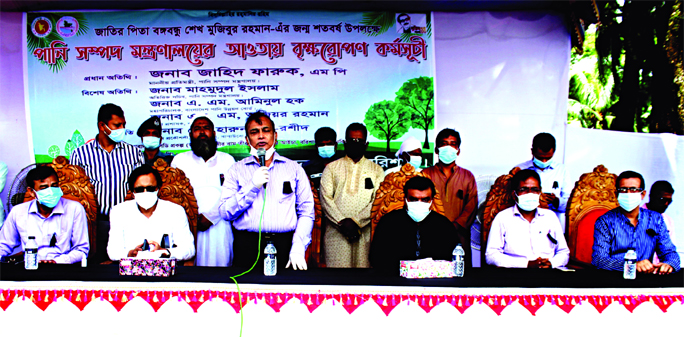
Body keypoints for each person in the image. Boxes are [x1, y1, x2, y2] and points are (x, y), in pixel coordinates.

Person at [220, 111, 313, 271]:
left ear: (275, 136)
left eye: (266, 130)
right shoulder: (236, 170)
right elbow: (225, 212)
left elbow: (307, 212)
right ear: (247, 140)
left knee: (285, 295)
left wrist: (298, 246)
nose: (261, 136)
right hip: (248, 246)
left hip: (285, 246)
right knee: (246, 295)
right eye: (254, 132)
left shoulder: (294, 169)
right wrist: (251, 186)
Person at [70, 103, 144, 262]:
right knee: (97, 268)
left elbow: (141, 186)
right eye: (117, 125)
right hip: (96, 223)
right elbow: (75, 191)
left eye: (124, 125)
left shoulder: (134, 153)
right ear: (102, 126)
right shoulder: (80, 154)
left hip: (128, 222)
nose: (122, 129)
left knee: (127, 268)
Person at [171, 116, 235, 266]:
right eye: (197, 129)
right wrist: (192, 218)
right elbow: (174, 196)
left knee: (221, 271)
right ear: (190, 134)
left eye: (205, 128)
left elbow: (231, 195)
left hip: (220, 226)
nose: (202, 132)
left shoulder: (228, 160)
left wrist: (211, 217)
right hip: (189, 226)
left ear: (213, 133)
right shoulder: (179, 161)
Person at [320, 123, 385, 268]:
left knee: (363, 279)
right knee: (337, 280)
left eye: (359, 141)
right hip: (336, 233)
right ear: (344, 143)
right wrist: (342, 222)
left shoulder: (377, 170)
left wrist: (356, 222)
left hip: (364, 233)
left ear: (366, 144)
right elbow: (325, 199)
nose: (355, 144)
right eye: (351, 141)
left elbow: (377, 201)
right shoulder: (331, 168)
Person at [592, 171, 680, 274]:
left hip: (647, 279)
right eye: (623, 190)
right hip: (615, 280)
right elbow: (599, 260)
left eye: (633, 190)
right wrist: (631, 265)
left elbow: (670, 252)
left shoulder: (656, 219)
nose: (628, 194)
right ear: (616, 194)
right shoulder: (605, 221)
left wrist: (669, 264)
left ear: (642, 194)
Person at [0, 166, 89, 263]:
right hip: (30, 268)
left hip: (63, 268)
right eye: (44, 188)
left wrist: (57, 262)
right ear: (31, 192)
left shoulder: (75, 209)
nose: (51, 192)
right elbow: (3, 245)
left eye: (54, 186)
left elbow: (81, 250)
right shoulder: (18, 211)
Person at [370, 176, 458, 273]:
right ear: (405, 199)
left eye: (424, 200)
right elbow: (376, 258)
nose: (419, 203)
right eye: (413, 199)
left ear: (432, 201)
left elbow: (452, 260)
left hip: (433, 281)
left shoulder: (444, 225)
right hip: (397, 281)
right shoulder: (388, 222)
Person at [107, 165, 194, 261]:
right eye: (140, 189)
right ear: (132, 192)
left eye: (150, 189)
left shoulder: (175, 211)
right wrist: (130, 253)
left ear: (158, 189)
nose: (145, 193)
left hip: (165, 271)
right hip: (131, 271)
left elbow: (189, 249)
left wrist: (164, 251)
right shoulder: (119, 212)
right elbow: (113, 251)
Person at [485, 169, 569, 268]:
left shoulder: (550, 217)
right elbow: (491, 255)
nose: (530, 194)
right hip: (515, 275)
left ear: (540, 192)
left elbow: (563, 252)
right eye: (523, 189)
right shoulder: (502, 218)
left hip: (547, 274)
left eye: (534, 189)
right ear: (514, 194)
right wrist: (526, 264)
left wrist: (551, 263)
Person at [422, 128, 477, 268]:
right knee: (431, 277)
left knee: (461, 278)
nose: (448, 147)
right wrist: (439, 227)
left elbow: (471, 207)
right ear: (436, 149)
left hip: (460, 237)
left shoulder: (467, 176)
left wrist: (454, 227)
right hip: (431, 235)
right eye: (444, 143)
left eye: (453, 144)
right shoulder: (425, 174)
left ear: (458, 150)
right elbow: (421, 203)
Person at [517, 133, 568, 228]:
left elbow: (570, 204)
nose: (544, 161)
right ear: (532, 151)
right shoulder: (520, 169)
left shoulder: (562, 170)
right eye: (540, 158)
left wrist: (556, 201)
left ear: (554, 152)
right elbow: (512, 199)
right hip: (526, 223)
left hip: (553, 225)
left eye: (548, 158)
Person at [642, 181, 676, 264]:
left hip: (660, 271)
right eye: (662, 200)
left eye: (669, 201)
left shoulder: (668, 221)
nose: (666, 204)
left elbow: (671, 251)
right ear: (651, 197)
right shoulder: (635, 217)